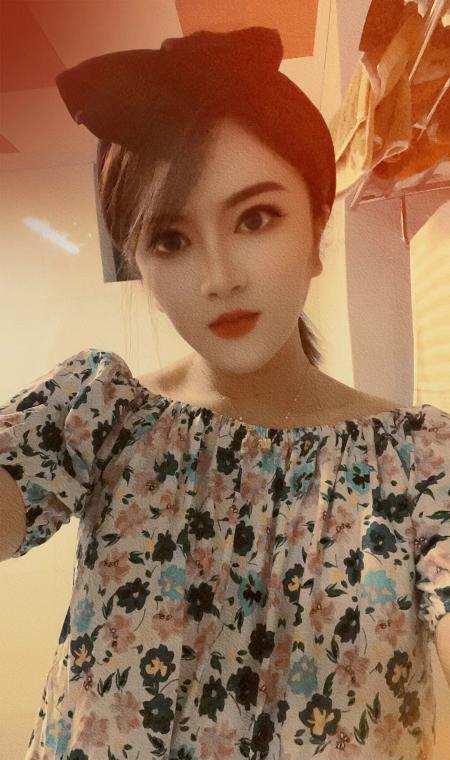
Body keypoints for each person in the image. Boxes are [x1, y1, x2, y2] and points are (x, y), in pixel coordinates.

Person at [0, 26, 449, 760]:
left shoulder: (421, 461)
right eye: (170, 239)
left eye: (255, 218)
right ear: (139, 261)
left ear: (317, 227)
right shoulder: (98, 411)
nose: (219, 277)